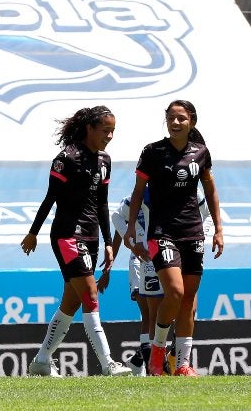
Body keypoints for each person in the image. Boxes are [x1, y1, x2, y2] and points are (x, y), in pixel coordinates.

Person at [21, 106, 131, 377]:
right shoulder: (66, 158)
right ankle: (108, 363)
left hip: (92, 237)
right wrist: (33, 232)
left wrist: (107, 241)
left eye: (113, 131)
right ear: (89, 128)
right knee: (89, 295)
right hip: (67, 235)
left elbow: (103, 203)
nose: (110, 136)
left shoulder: (105, 160)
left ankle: (41, 361)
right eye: (106, 130)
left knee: (70, 303)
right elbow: (50, 198)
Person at [123, 100, 224, 377]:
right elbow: (137, 192)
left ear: (191, 120)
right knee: (175, 292)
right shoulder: (152, 152)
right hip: (162, 232)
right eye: (171, 118)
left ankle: (182, 364)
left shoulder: (200, 152)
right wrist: (131, 228)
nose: (175, 122)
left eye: (181, 118)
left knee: (189, 299)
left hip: (192, 232)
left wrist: (218, 229)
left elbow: (211, 190)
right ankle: (157, 352)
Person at [100, 188, 211, 376]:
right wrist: (134, 244)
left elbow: (207, 214)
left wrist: (201, 235)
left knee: (188, 306)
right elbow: (118, 218)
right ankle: (152, 365)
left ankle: (173, 359)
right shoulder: (141, 194)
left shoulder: (188, 186)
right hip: (147, 257)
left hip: (182, 251)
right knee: (150, 312)